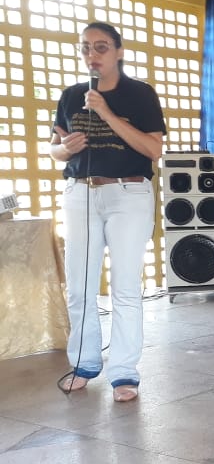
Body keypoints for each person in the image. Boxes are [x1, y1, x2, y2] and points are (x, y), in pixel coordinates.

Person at [49, 22, 165, 402]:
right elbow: (54, 150)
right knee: (80, 287)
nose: (91, 55)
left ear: (118, 51)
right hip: (80, 193)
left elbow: (153, 150)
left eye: (100, 47)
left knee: (126, 288)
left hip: (128, 193)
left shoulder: (140, 95)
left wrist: (107, 113)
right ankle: (83, 364)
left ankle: (124, 373)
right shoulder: (71, 96)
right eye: (85, 48)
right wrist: (67, 148)